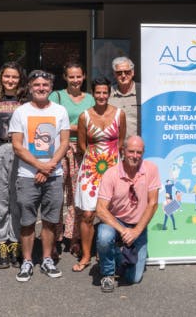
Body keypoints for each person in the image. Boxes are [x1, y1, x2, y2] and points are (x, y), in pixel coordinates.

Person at [9, 70, 70, 282]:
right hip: (27, 175)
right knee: (27, 221)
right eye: (37, 85)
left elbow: (64, 142)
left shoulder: (60, 111)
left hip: (54, 175)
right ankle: (26, 261)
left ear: (51, 88)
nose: (41, 88)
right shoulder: (21, 112)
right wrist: (39, 166)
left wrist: (49, 167)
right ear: (30, 87)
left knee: (50, 220)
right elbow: (17, 146)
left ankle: (46, 259)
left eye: (45, 85)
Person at [73, 77, 126, 272]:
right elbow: (81, 145)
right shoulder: (84, 116)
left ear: (109, 94)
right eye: (98, 92)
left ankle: (105, 251)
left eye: (105, 92)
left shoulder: (119, 114)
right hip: (91, 168)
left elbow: (121, 142)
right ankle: (87, 254)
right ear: (93, 94)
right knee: (88, 214)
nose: (101, 96)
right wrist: (94, 158)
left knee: (110, 212)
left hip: (113, 167)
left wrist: (112, 161)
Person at [96, 136, 160, 292]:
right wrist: (123, 230)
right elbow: (100, 209)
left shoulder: (151, 169)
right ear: (123, 151)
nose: (135, 156)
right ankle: (108, 273)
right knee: (104, 237)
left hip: (138, 224)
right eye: (131, 151)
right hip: (115, 220)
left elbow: (153, 203)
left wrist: (136, 231)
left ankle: (118, 252)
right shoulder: (111, 174)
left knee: (134, 279)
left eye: (139, 152)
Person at [49, 61, 95, 257]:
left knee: (77, 195)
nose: (75, 80)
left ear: (83, 76)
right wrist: (78, 127)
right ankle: (53, 239)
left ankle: (74, 238)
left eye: (78, 76)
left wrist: (70, 126)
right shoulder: (56, 96)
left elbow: (94, 124)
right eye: (71, 77)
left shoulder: (91, 99)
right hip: (60, 148)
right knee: (55, 195)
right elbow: (51, 122)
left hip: (82, 150)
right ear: (65, 77)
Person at [0, 62, 28, 269]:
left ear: (19, 79)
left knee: (16, 199)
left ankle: (15, 242)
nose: (10, 80)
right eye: (7, 76)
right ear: (1, 77)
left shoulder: (26, 101)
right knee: (0, 200)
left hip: (19, 151)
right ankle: (1, 243)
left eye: (14, 77)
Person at [109, 57, 140, 139]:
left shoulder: (142, 92)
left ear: (132, 72)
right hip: (115, 146)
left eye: (127, 72)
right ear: (114, 74)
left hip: (136, 148)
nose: (123, 75)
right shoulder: (108, 94)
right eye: (119, 73)